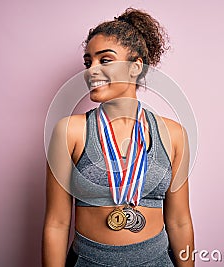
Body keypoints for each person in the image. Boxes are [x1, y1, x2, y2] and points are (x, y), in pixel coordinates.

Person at [42, 8, 195, 267]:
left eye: (105, 60)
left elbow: (180, 221)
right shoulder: (70, 132)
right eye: (88, 62)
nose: (92, 70)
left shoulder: (173, 135)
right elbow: (57, 224)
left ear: (135, 67)